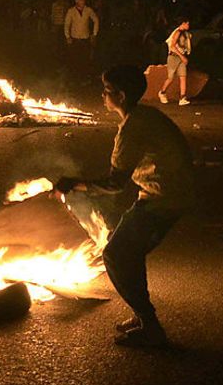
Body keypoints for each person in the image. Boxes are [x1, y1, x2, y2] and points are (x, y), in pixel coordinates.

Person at [55, 65, 195, 348]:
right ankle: (142, 316)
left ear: (120, 95)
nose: (103, 96)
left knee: (117, 255)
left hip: (164, 198)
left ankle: (151, 327)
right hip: (166, 193)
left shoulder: (133, 127)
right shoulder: (143, 116)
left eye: (107, 92)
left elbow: (114, 184)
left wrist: (73, 185)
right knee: (129, 252)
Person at [64, 0, 100, 81]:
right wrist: (67, 36)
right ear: (76, 1)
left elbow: (96, 20)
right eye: (80, 0)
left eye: (83, 0)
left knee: (85, 59)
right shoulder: (71, 11)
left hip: (85, 38)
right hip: (75, 39)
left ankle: (84, 77)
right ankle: (75, 77)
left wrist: (94, 34)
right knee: (75, 59)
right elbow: (67, 24)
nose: (82, 2)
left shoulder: (88, 10)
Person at [157, 18, 191, 106]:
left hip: (181, 57)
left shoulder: (185, 33)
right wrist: (182, 57)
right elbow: (172, 46)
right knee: (170, 78)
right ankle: (162, 92)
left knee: (183, 77)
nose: (188, 25)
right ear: (183, 23)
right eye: (187, 24)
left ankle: (182, 97)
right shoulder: (178, 32)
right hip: (173, 57)